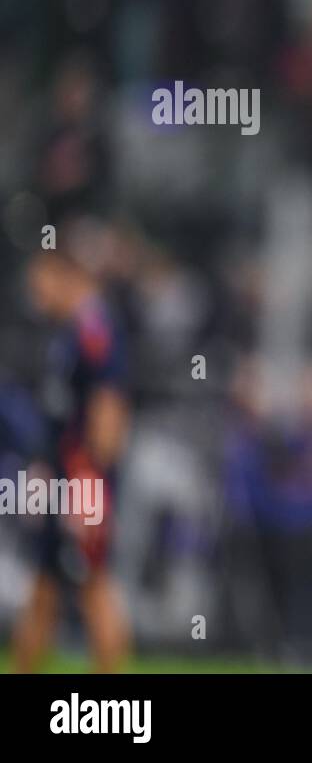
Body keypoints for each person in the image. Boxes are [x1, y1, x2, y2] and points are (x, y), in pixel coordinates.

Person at [12, 237, 132, 672]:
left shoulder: (94, 330)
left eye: (41, 278)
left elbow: (108, 411)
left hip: (83, 479)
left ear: (66, 274)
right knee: (45, 586)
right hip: (64, 474)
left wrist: (89, 486)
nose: (35, 290)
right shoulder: (67, 331)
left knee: (92, 584)